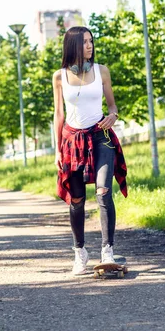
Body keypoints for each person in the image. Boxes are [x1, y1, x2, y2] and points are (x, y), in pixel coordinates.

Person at [52, 26, 127, 276]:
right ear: (73, 44)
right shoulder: (59, 76)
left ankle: (107, 250)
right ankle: (79, 252)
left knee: (104, 191)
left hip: (100, 136)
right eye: (85, 42)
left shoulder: (101, 71)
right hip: (72, 140)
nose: (90, 46)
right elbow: (59, 114)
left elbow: (113, 105)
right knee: (76, 199)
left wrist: (113, 116)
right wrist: (57, 151)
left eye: (91, 41)